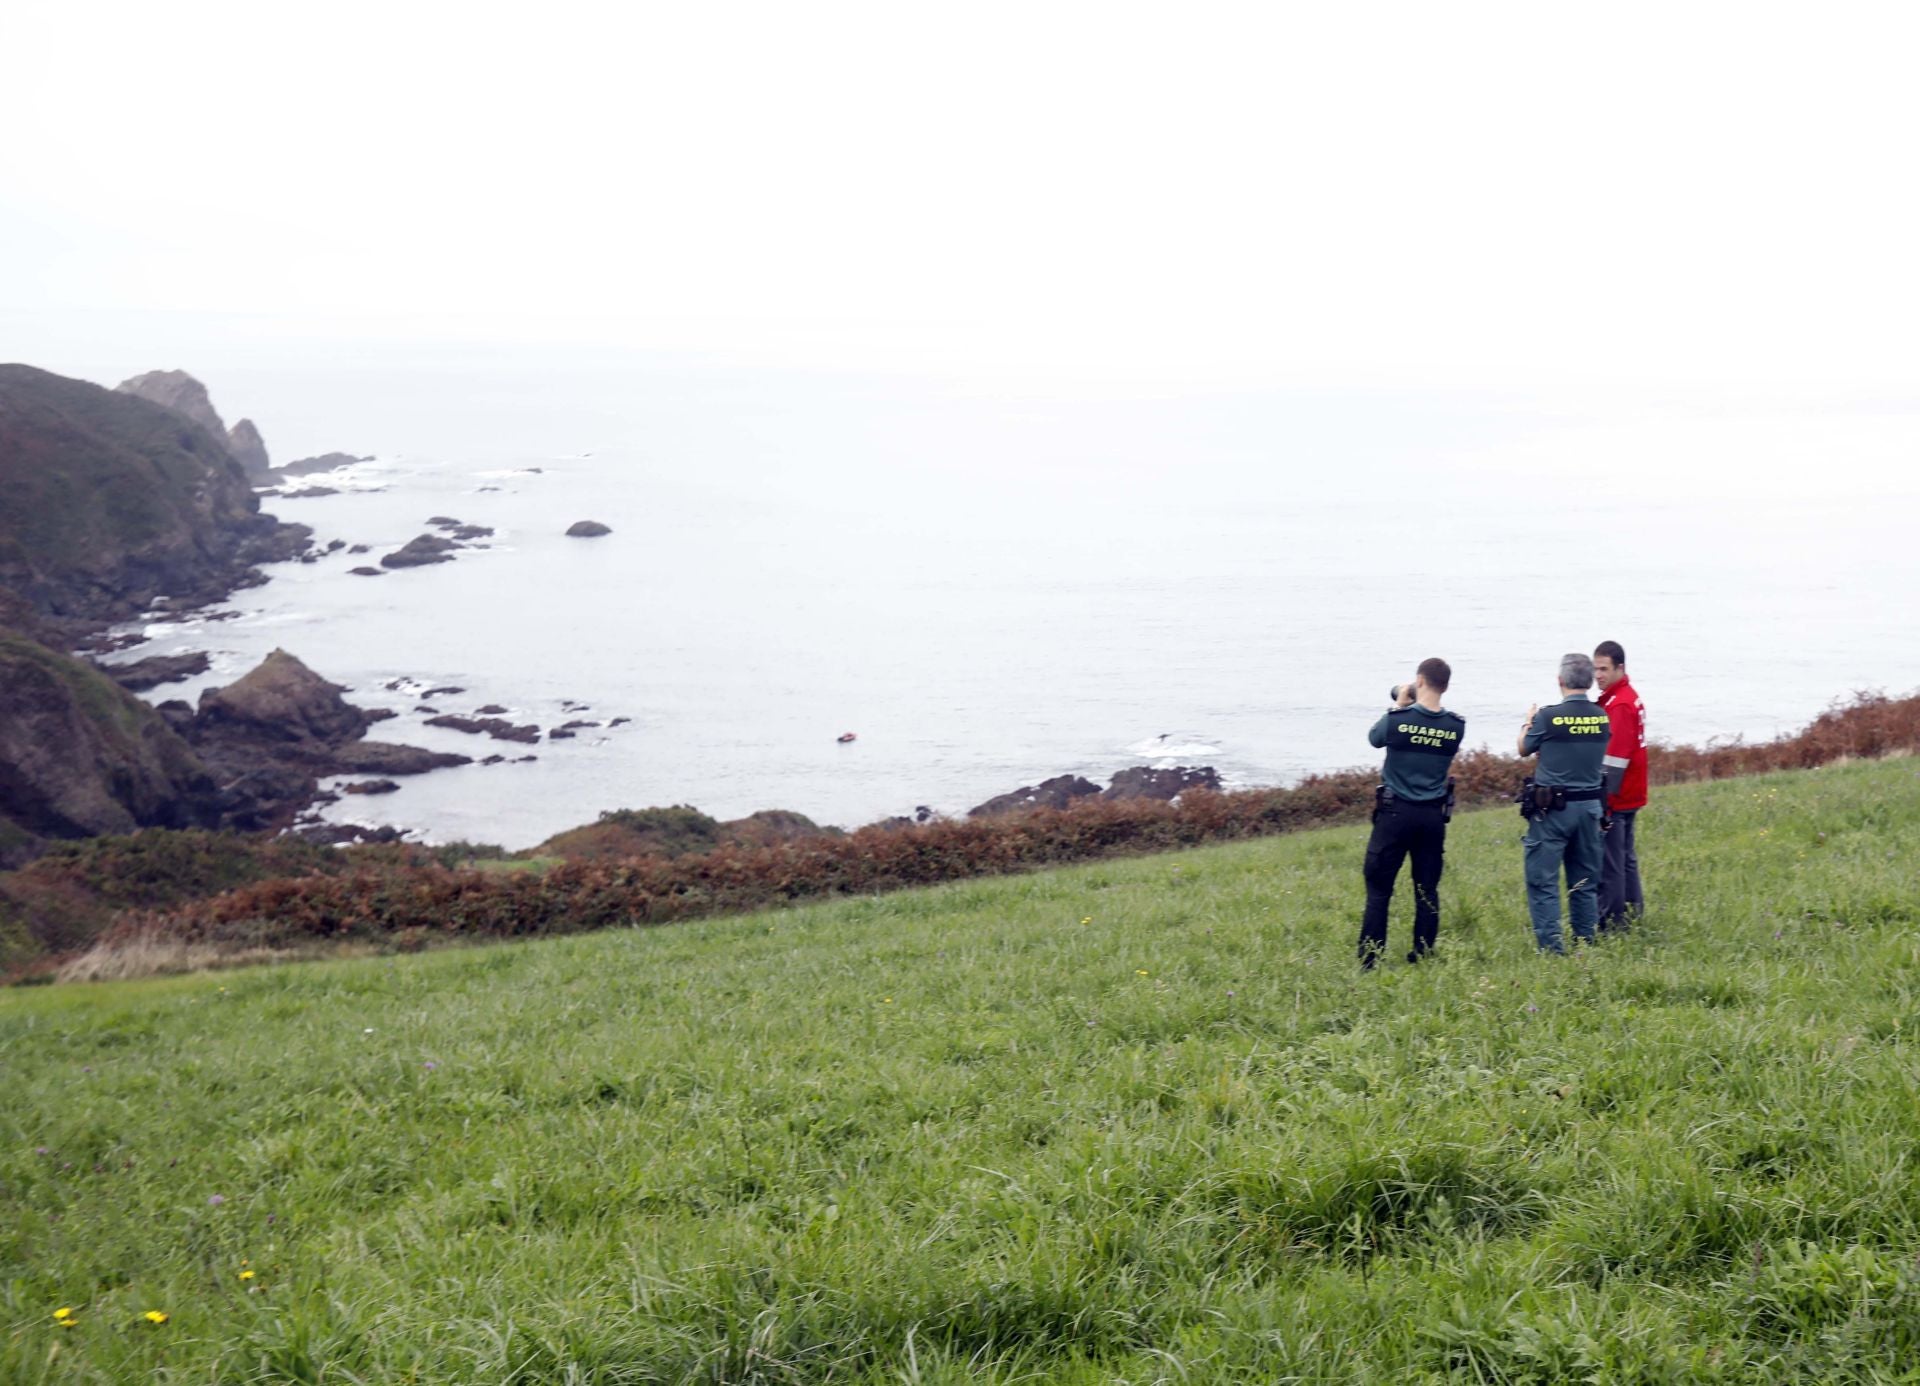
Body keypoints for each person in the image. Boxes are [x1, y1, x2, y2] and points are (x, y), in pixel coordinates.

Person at [1359, 656, 1465, 969]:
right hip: (1432, 817)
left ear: (1419, 681)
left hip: (1395, 814)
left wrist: (1399, 706)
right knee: (1426, 887)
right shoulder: (1455, 727)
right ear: (1444, 687)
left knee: (1379, 888)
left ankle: (1370, 959)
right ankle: (1422, 953)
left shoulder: (1397, 720)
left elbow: (1374, 739)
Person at [1516, 652, 1612, 953]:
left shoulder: (1547, 717)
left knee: (1543, 881)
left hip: (1553, 811)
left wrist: (1527, 722)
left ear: (1560, 681)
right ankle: (1585, 944)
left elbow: (1523, 748)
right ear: (1590, 681)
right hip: (1590, 809)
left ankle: (1552, 950)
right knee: (1584, 882)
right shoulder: (1601, 717)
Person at [1592, 640, 1647, 931]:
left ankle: (1612, 921)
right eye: (1595, 669)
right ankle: (1631, 909)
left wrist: (1603, 799)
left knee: (1612, 861)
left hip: (1618, 795)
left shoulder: (1621, 704)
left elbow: (1614, 758)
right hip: (1630, 792)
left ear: (1620, 668)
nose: (1598, 675)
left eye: (1604, 669)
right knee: (1625, 856)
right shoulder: (1622, 698)